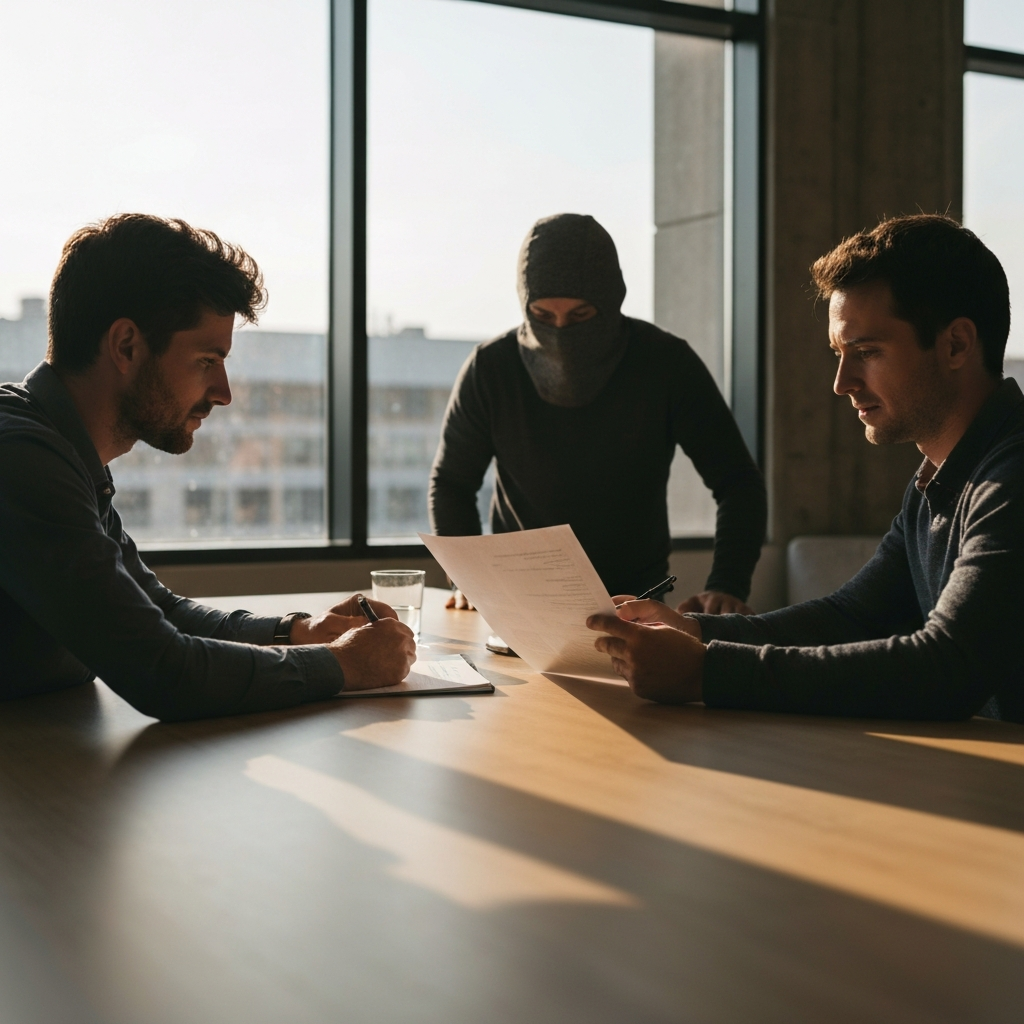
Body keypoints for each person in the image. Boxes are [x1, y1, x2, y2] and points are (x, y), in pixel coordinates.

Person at [587, 213, 1023, 723]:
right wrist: (695, 634)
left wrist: (705, 672)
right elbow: (850, 617)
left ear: (955, 344)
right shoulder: (936, 479)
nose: (842, 382)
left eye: (867, 352)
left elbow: (946, 668)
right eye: (840, 354)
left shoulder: (1011, 479)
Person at [0, 214, 415, 721]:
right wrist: (343, 664)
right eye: (206, 360)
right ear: (126, 346)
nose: (224, 393)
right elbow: (164, 671)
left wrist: (297, 631)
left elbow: (161, 613)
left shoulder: (59, 451)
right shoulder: (21, 461)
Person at [429, 213, 767, 612]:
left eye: (580, 316)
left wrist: (728, 583)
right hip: (516, 605)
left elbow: (738, 483)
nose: (560, 331)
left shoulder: (666, 364)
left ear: (610, 303)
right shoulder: (490, 368)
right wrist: (470, 577)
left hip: (635, 604)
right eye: (542, 316)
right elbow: (451, 483)